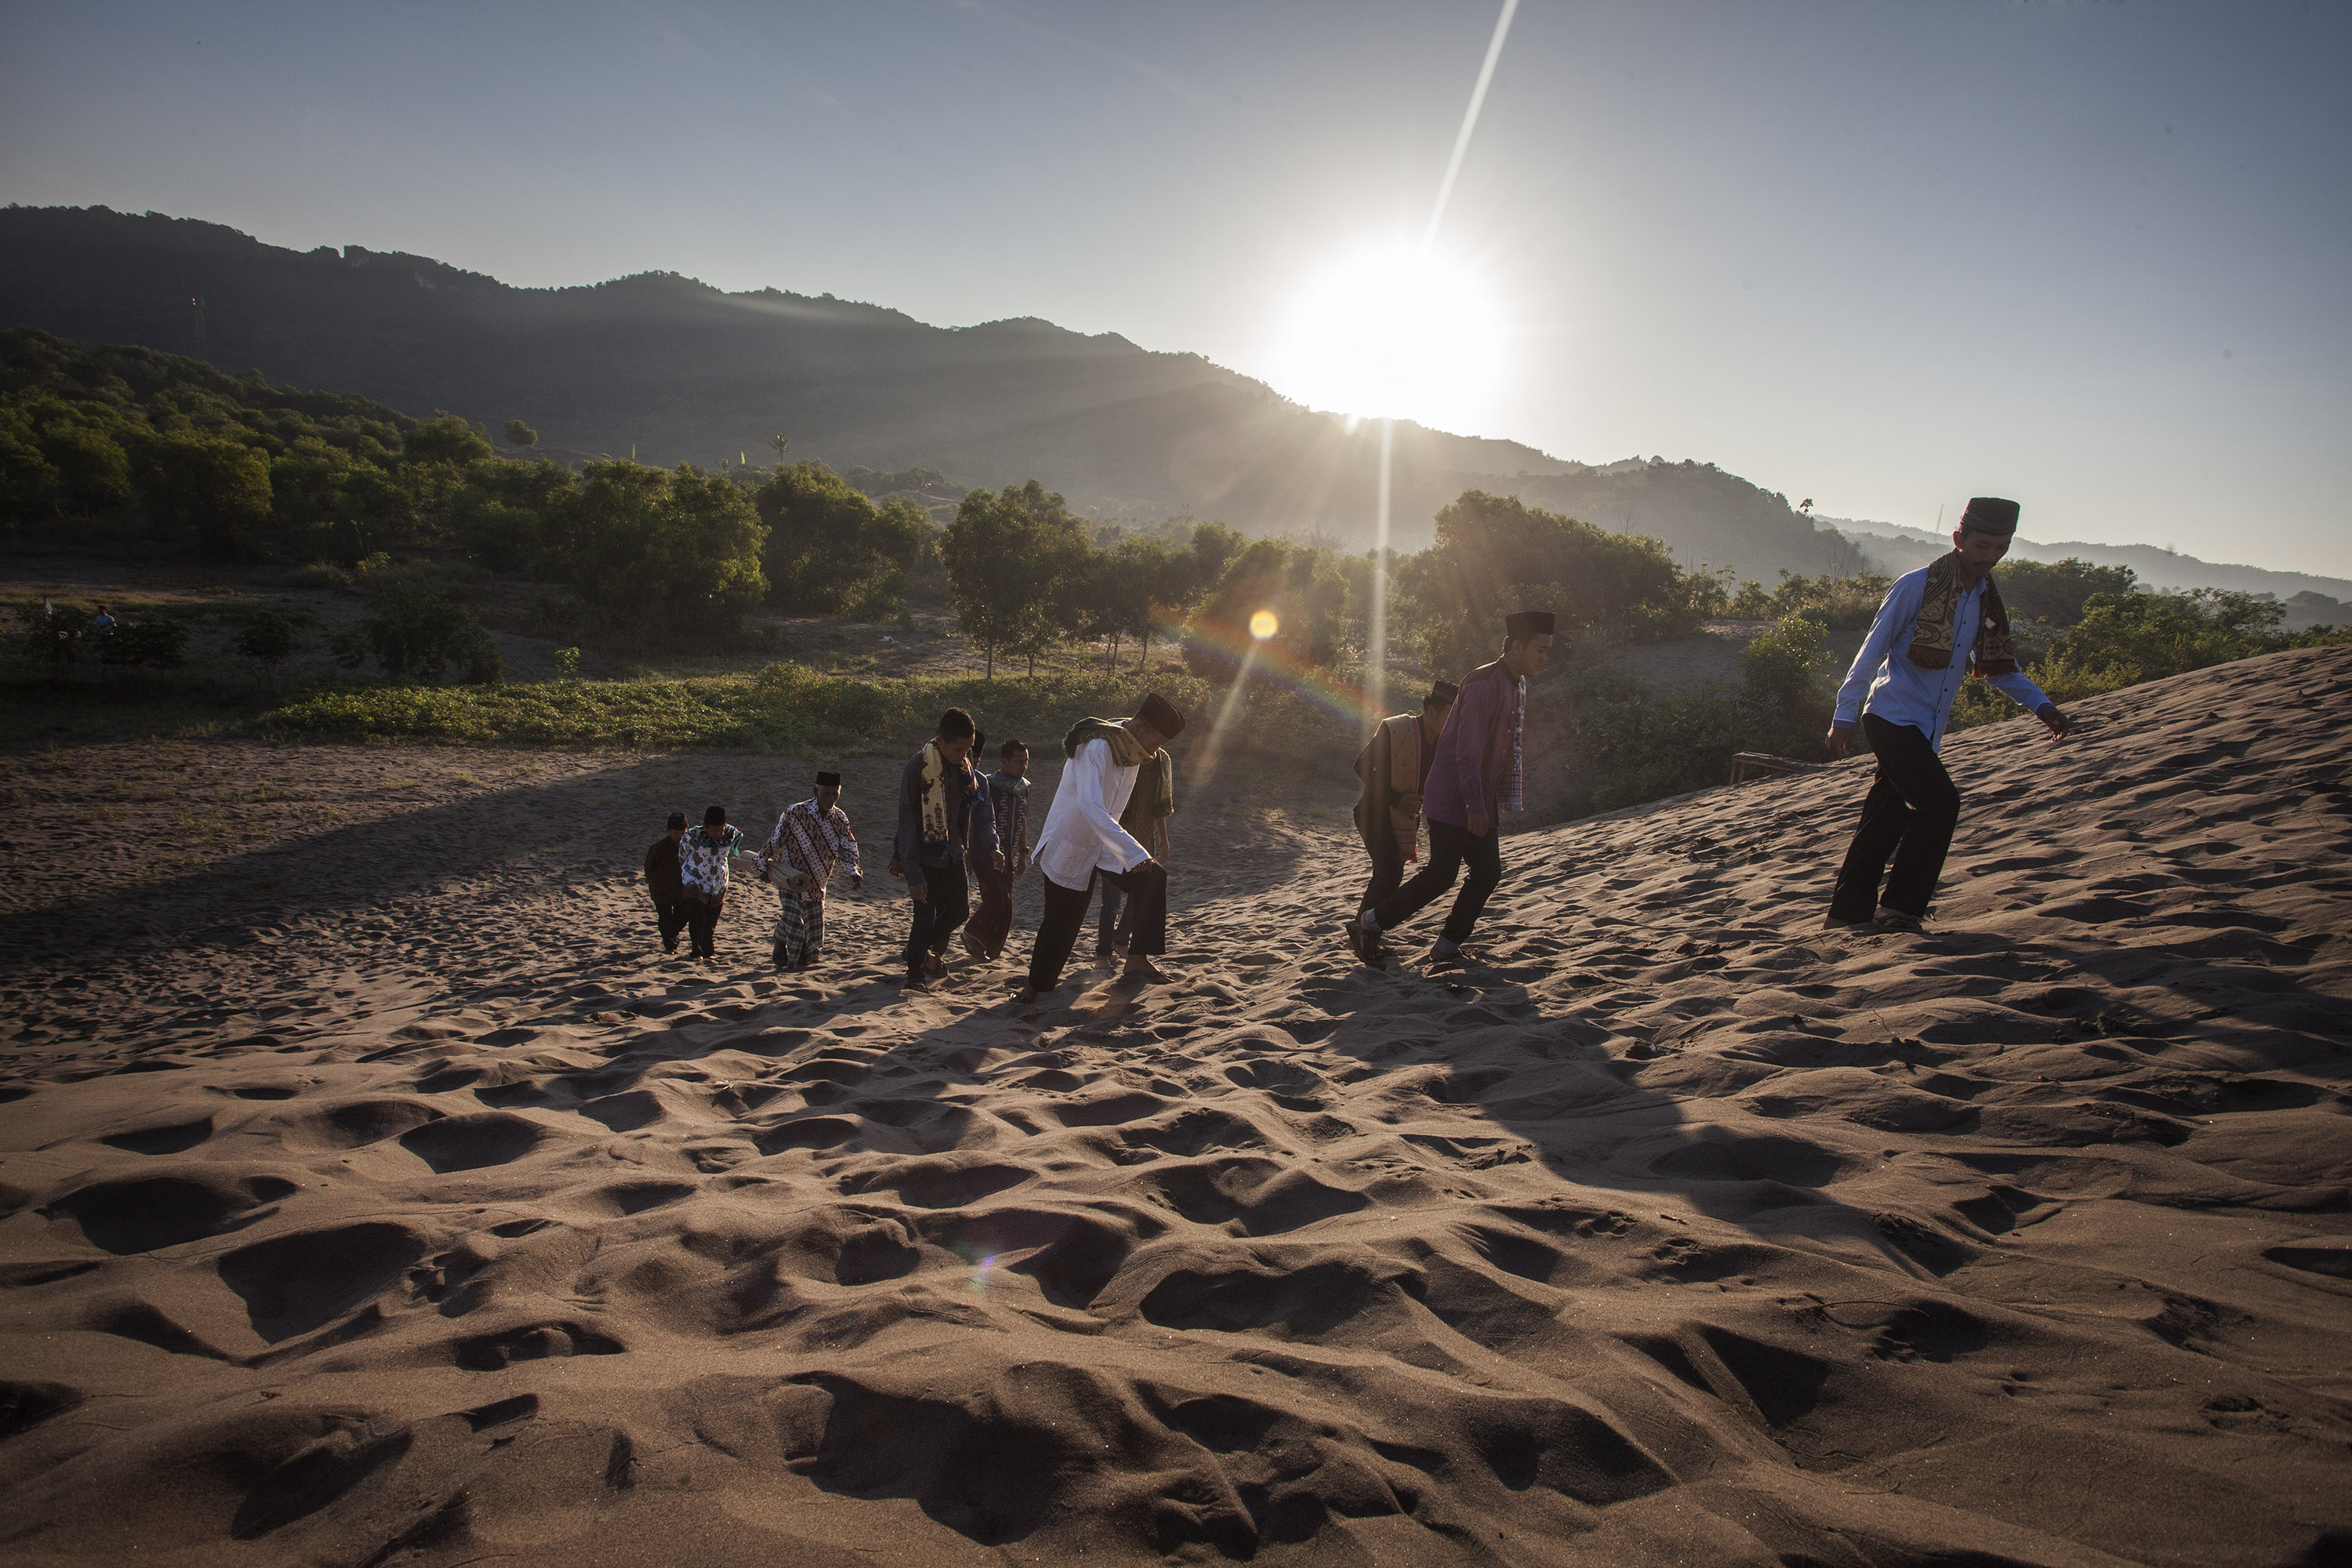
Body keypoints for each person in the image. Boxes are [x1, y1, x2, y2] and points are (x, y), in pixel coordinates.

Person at [1823, 496, 2072, 932]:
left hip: (1927, 728)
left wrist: (2041, 705)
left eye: (2000, 547)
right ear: (1959, 540)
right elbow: (1871, 653)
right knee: (1941, 803)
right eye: (1981, 545)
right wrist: (1844, 714)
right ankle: (1900, 909)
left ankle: (1847, 915)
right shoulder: (1916, 586)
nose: (1990, 556)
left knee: (1885, 818)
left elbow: (1995, 666)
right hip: (1890, 716)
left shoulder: (1984, 601)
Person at [1353, 612, 1554, 967]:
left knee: (1487, 872)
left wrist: (1486, 803)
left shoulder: (1514, 684)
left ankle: (1445, 945)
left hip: (1479, 800)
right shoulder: (1482, 684)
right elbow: (1467, 752)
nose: (1544, 658)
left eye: (1547, 651)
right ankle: (1370, 922)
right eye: (1540, 650)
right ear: (1517, 647)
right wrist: (1475, 806)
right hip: (1454, 800)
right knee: (1442, 876)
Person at [1014, 692, 1185, 1003]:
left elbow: (1114, 812)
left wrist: (1130, 855)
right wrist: (1133, 852)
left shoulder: (1133, 753)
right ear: (1141, 727)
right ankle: (1034, 989)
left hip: (1104, 845)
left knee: (1152, 878)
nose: (1155, 751)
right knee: (1061, 922)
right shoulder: (1096, 746)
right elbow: (1091, 807)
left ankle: (1136, 961)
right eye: (1157, 742)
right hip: (1071, 844)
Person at [890, 708, 998, 991]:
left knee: (960, 912)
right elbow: (908, 821)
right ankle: (914, 976)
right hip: (924, 858)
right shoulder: (918, 769)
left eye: (969, 749)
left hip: (952, 854)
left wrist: (964, 851)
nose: (965, 756)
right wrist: (913, 874)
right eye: (959, 749)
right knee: (924, 919)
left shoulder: (965, 772)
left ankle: (916, 950)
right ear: (941, 740)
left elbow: (965, 816)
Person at [1352, 679, 1461, 926]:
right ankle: (1363, 930)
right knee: (1389, 875)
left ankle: (1363, 929)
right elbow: (1361, 765)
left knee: (1386, 875)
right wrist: (1398, 798)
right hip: (1372, 812)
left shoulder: (1445, 745)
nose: (1454, 726)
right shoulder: (1397, 730)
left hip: (1404, 820)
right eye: (1449, 719)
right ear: (1431, 712)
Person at [761, 770, 863, 971]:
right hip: (790, 877)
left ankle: (795, 955)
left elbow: (848, 847)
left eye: (836, 794)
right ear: (815, 792)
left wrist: (853, 871)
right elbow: (776, 840)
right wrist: (763, 864)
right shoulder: (795, 812)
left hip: (818, 881)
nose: (831, 798)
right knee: (794, 920)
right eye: (827, 793)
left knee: (812, 932)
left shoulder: (840, 819)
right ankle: (781, 945)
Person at [1091, 746, 1174, 963]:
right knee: (1111, 901)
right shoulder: (1122, 754)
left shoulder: (1161, 760)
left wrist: (1163, 838)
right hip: (1116, 841)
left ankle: (1121, 939)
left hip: (1144, 840)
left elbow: (1159, 807)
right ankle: (1103, 952)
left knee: (1138, 898)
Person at [964, 738, 1033, 962]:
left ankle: (992, 951)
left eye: (1026, 761)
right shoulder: (989, 785)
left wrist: (1023, 853)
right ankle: (972, 935)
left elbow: (1022, 820)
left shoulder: (1023, 788)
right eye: (1018, 761)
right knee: (997, 900)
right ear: (1004, 761)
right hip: (986, 853)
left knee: (1007, 906)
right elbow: (976, 820)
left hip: (1010, 856)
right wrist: (968, 852)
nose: (1023, 766)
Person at [677, 804, 748, 961]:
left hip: (718, 882)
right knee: (696, 915)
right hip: (694, 880)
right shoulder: (691, 837)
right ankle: (696, 950)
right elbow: (682, 855)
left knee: (711, 920)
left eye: (720, 830)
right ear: (705, 827)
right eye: (714, 830)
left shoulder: (732, 834)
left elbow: (735, 852)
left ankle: (708, 950)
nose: (718, 834)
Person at [642, 811, 689, 954]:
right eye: (676, 833)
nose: (680, 837)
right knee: (665, 918)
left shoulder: (691, 847)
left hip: (683, 889)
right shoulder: (659, 848)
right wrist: (651, 881)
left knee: (683, 917)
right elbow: (649, 866)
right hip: (661, 889)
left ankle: (672, 935)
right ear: (668, 831)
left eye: (683, 833)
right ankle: (670, 946)